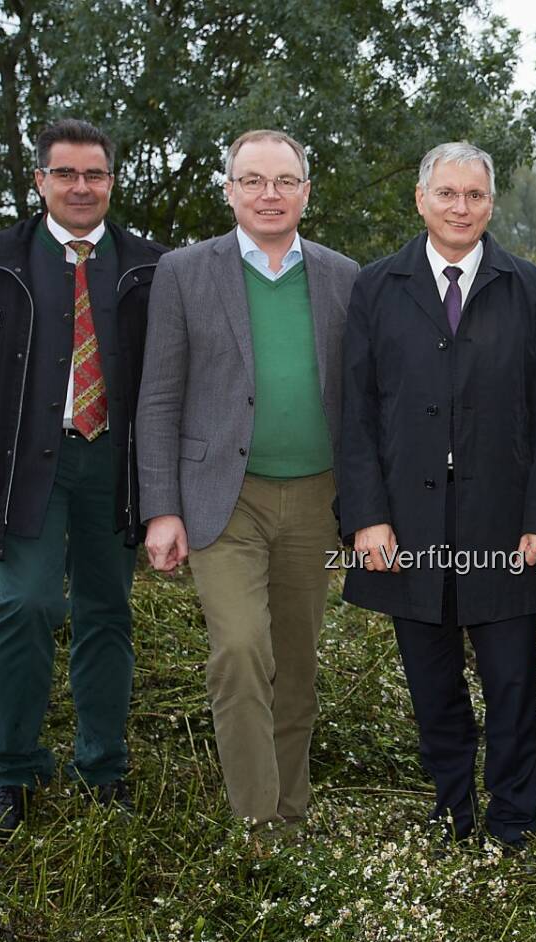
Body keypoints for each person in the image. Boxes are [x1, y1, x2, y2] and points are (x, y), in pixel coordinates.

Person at [0, 118, 165, 834]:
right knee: (26, 605)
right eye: (65, 173)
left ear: (112, 181)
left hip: (114, 467)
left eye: (95, 174)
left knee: (107, 613)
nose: (81, 187)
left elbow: (171, 386)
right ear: (39, 181)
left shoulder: (152, 267)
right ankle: (11, 774)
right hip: (24, 468)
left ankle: (103, 771)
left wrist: (167, 496)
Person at [337, 141, 536, 850]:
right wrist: (367, 517)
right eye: (447, 193)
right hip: (408, 525)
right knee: (432, 684)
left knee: (511, 684)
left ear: (491, 204)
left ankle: (513, 821)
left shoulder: (528, 287)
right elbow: (356, 413)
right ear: (421, 199)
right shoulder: (377, 286)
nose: (460, 207)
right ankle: (453, 811)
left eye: (475, 195)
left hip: (504, 524)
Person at [135, 129, 358, 829]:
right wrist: (161, 508)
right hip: (222, 500)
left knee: (295, 664)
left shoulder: (344, 276)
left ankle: (291, 817)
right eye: (253, 180)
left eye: (285, 181)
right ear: (229, 190)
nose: (270, 194)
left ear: (306, 193)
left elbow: (365, 397)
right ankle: (257, 830)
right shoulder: (183, 272)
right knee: (239, 651)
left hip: (317, 498)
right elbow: (158, 397)